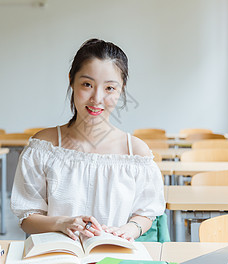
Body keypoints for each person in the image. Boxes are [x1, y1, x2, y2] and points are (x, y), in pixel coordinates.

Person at [11, 38, 165, 242]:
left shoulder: (136, 152)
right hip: (58, 258)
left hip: (113, 258)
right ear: (71, 81)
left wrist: (130, 229)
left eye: (110, 88)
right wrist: (62, 223)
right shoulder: (44, 147)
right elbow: (26, 217)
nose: (97, 98)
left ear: (121, 89)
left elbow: (146, 213)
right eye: (87, 84)